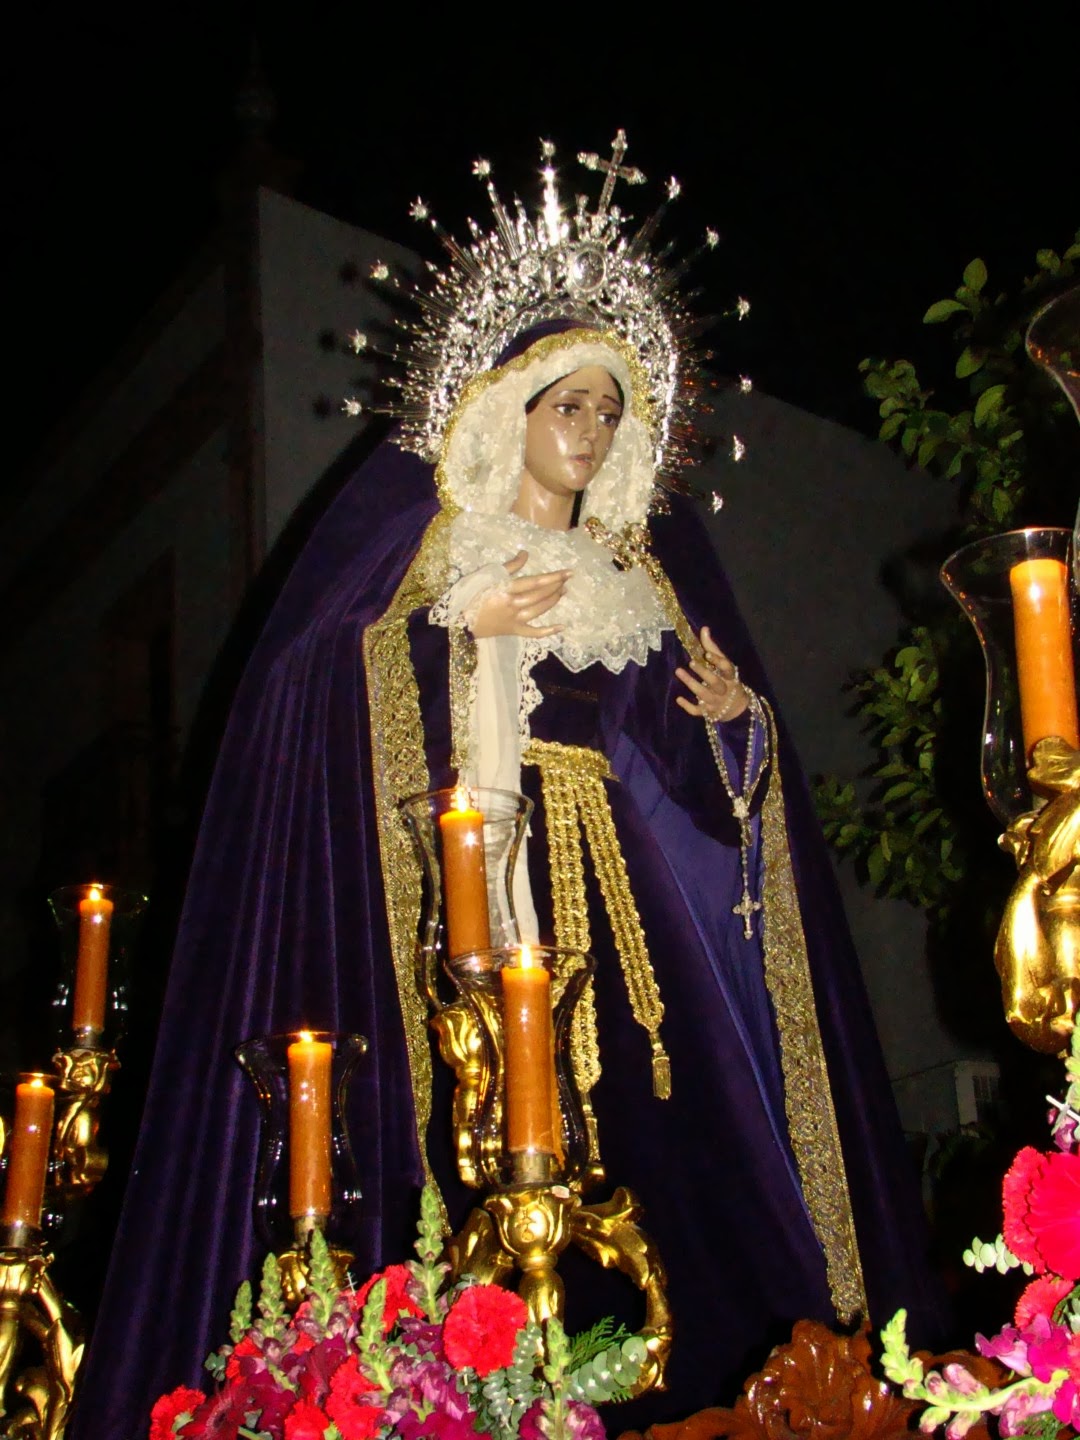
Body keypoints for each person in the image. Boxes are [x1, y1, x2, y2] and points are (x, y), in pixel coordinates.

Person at [72, 143, 945, 1439]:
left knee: (675, 1151)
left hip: (624, 908)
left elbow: (691, 786)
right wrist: (450, 628)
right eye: (567, 403)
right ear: (509, 410)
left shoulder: (636, 580)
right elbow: (311, 686)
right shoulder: (424, 555)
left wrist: (732, 726)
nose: (590, 432)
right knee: (463, 1147)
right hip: (471, 882)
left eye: (610, 412)